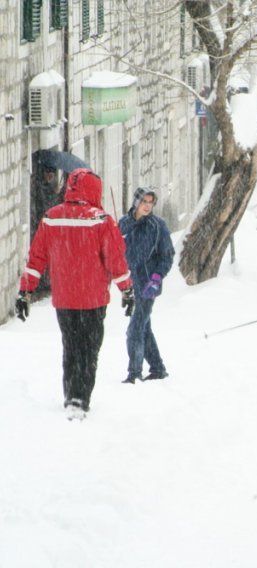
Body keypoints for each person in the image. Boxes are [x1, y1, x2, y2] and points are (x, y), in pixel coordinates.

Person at [15, 168, 133, 421]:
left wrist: (25, 292)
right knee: (89, 349)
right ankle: (81, 398)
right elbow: (115, 260)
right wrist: (127, 290)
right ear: (95, 190)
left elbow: (36, 259)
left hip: (65, 300)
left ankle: (71, 396)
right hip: (93, 300)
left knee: (71, 346)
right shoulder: (100, 220)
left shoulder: (51, 218)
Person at [119, 187, 175, 384]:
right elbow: (118, 254)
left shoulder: (158, 226)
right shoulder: (124, 224)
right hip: (131, 284)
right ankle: (158, 368)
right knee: (144, 327)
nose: (148, 206)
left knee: (134, 329)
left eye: (151, 203)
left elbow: (167, 256)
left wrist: (156, 278)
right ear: (136, 202)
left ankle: (134, 373)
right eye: (144, 202)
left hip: (148, 286)